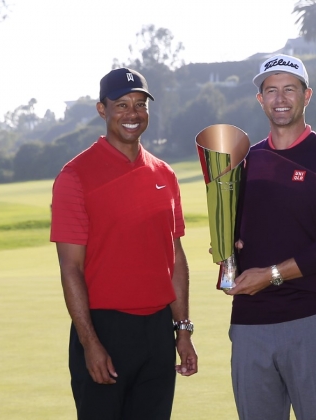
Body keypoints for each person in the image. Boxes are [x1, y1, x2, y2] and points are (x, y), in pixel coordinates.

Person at [50, 67, 197, 420]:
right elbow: (70, 268)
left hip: (158, 333)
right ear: (103, 110)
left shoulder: (165, 173)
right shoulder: (75, 176)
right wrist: (90, 343)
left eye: (140, 105)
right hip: (106, 331)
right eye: (122, 105)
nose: (132, 114)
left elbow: (175, 258)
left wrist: (183, 331)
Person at [225, 54, 316, 420]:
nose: (280, 98)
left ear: (307, 95)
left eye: (289, 89)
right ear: (260, 99)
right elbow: (237, 236)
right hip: (250, 325)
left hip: (312, 321)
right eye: (271, 90)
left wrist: (271, 275)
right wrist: (227, 250)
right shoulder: (244, 163)